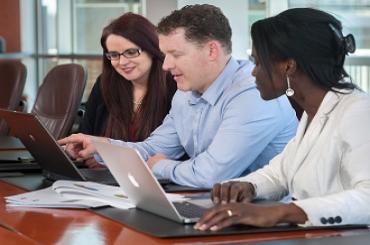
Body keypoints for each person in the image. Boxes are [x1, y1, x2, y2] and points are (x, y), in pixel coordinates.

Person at [59, 4, 297, 188]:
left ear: (211, 50)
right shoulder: (186, 92)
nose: (165, 65)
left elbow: (210, 173)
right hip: (216, 207)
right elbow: (152, 148)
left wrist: (161, 167)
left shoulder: (251, 92)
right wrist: (101, 148)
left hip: (270, 220)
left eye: (175, 54)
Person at [194, 8, 370, 231]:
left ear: (288, 66)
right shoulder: (313, 110)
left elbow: (367, 198)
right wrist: (249, 186)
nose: (253, 72)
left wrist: (281, 212)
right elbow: (281, 172)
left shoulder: (358, 112)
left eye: (258, 62)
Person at [78, 13, 176, 167]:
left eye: (131, 52)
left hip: (154, 182)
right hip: (101, 182)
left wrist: (111, 161)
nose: (122, 62)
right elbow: (87, 136)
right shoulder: (105, 84)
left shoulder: (176, 87)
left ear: (152, 49)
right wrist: (81, 152)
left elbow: (173, 154)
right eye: (114, 55)